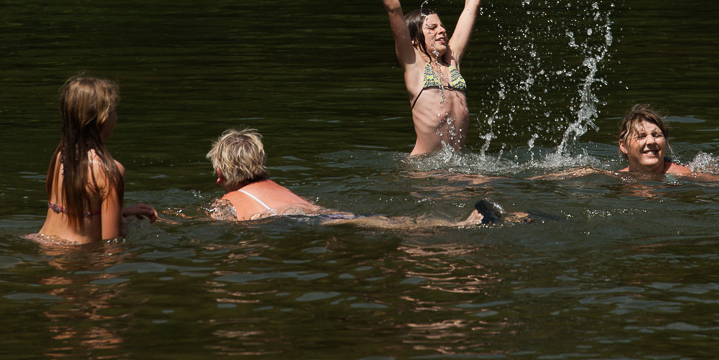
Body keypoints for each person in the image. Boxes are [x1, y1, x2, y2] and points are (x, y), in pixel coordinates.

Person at [338, 0, 500, 155]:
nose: (442, 30)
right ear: (414, 39)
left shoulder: (451, 60)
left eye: (442, 26)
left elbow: (471, 6)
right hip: (424, 172)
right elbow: (393, 7)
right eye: (432, 28)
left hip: (459, 165)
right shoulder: (412, 64)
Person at [206, 127, 509, 226]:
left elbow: (205, 226)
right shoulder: (272, 184)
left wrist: (160, 218)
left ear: (220, 173)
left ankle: (464, 225)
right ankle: (472, 220)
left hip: (304, 223)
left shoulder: (227, 201)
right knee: (382, 220)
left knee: (385, 226)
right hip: (320, 213)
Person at [32, 76, 158, 244]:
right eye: (113, 111)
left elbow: (75, 215)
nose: (116, 117)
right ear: (103, 118)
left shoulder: (61, 156)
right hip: (77, 258)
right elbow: (111, 244)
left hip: (40, 244)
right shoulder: (110, 170)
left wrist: (121, 212)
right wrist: (123, 225)